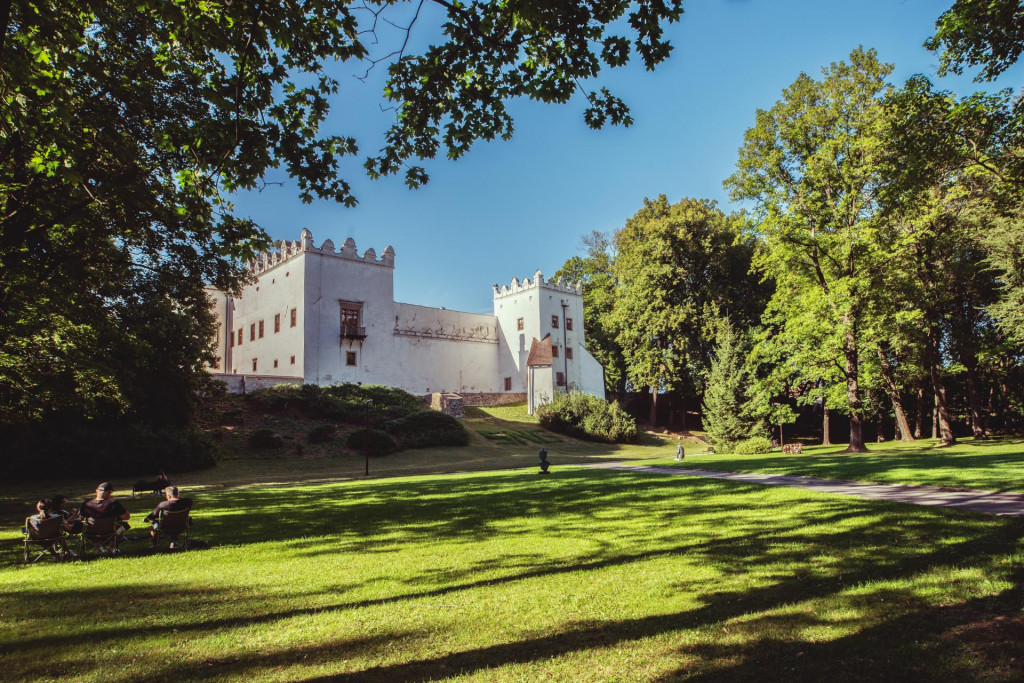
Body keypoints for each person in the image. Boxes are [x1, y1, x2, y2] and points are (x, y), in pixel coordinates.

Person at [80, 482, 131, 553]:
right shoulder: (113, 503)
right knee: (124, 525)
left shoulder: (86, 504)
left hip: (90, 533)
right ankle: (111, 547)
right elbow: (126, 517)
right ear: (110, 492)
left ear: (96, 491)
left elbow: (81, 518)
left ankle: (97, 547)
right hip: (110, 532)